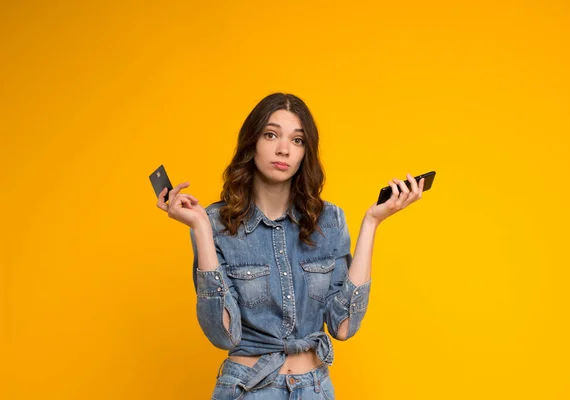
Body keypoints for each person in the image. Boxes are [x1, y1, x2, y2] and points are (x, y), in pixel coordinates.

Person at [156, 93, 425, 399]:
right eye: (271, 135)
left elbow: (344, 326)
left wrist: (371, 223)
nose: (283, 149)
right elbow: (223, 334)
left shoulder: (329, 220)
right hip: (250, 389)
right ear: (252, 143)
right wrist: (202, 228)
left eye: (297, 140)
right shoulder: (215, 223)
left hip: (315, 388)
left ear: (304, 153)